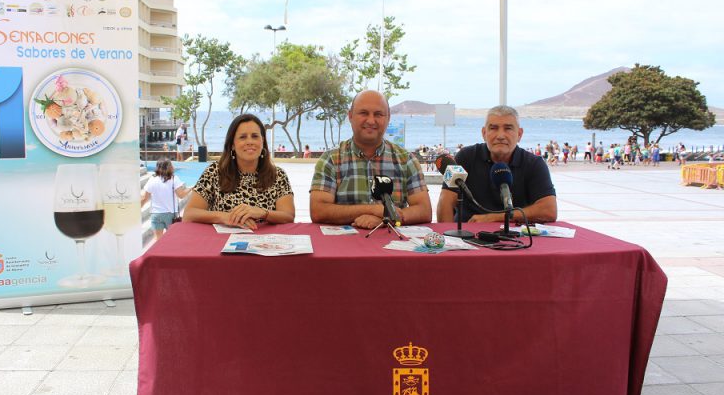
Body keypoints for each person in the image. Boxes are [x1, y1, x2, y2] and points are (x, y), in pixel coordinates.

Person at [309, 90, 432, 228]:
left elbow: (424, 210)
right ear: (350, 116)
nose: (371, 120)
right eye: (364, 113)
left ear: (388, 118)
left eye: (378, 114)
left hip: (393, 244)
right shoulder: (330, 160)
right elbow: (318, 211)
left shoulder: (406, 160)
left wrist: (387, 219)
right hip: (344, 246)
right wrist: (372, 209)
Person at [436, 105, 557, 224]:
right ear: (484, 133)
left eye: (508, 128)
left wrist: (494, 217)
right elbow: (445, 201)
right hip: (467, 235)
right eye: (493, 128)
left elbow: (549, 210)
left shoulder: (535, 164)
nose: (500, 136)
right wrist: (450, 237)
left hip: (516, 239)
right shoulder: (464, 156)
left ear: (519, 134)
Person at [183, 113, 295, 229]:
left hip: (267, 244)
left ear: (262, 141)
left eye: (255, 136)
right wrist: (225, 217)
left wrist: (263, 213)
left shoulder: (278, 175)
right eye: (243, 137)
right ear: (232, 144)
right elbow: (189, 214)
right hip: (221, 243)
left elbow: (288, 216)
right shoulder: (214, 172)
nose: (249, 141)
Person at [141, 158, 189, 242]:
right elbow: (181, 195)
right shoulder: (174, 179)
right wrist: (190, 189)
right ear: (169, 167)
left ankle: (157, 254)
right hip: (170, 214)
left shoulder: (152, 179)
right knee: (172, 239)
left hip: (156, 214)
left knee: (157, 239)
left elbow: (144, 198)